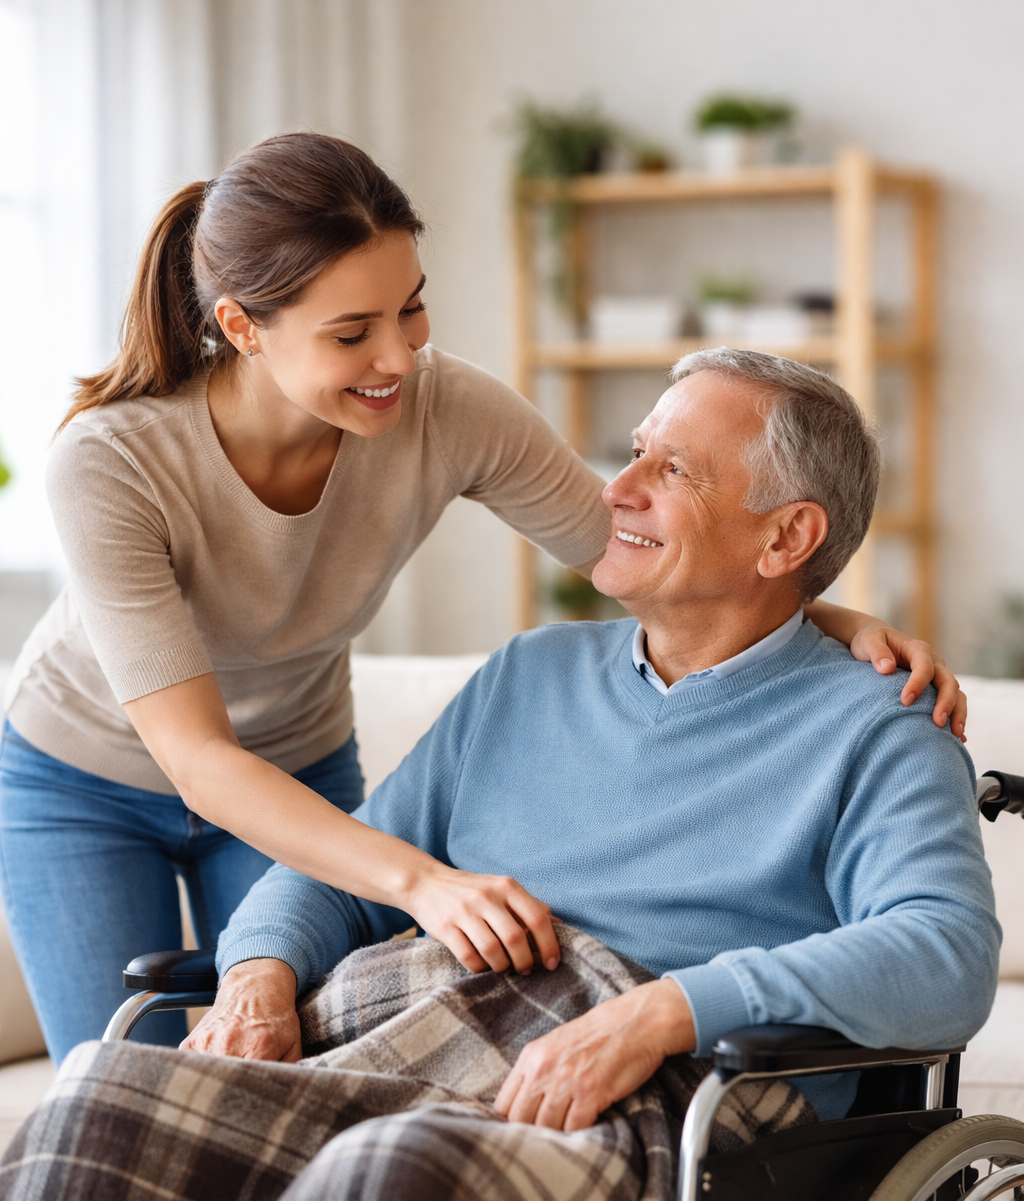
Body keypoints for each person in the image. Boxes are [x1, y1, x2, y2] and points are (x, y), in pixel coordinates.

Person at [0, 351, 997, 1201]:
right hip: (422, 1029)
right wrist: (260, 970)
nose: (614, 487)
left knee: (394, 1179)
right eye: (631, 448)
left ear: (784, 540)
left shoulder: (878, 731)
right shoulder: (529, 674)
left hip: (647, 1099)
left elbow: (943, 953)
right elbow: (350, 868)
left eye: (669, 467)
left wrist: (662, 1010)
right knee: (100, 1102)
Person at [0, 132, 963, 1065]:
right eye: (351, 333)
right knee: (122, 1079)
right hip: (88, 777)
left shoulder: (444, 407)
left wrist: (821, 615)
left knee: (278, 1045)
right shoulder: (111, 462)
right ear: (244, 327)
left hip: (297, 757)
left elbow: (631, 538)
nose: (398, 358)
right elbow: (202, 761)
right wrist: (427, 883)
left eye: (410, 310)